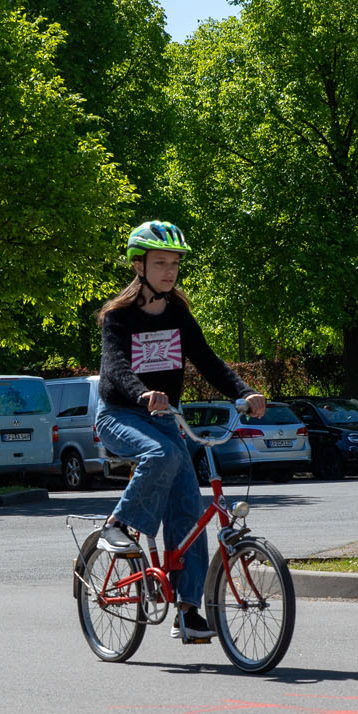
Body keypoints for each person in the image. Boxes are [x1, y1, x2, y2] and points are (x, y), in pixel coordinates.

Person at [95, 221, 266, 643]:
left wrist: (245, 392)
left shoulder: (178, 315)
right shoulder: (118, 317)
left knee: (190, 510)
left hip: (166, 418)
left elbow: (207, 360)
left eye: (174, 263)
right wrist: (142, 394)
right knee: (163, 456)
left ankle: (188, 612)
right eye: (160, 263)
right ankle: (117, 524)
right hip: (120, 414)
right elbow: (116, 369)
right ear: (140, 266)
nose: (169, 271)